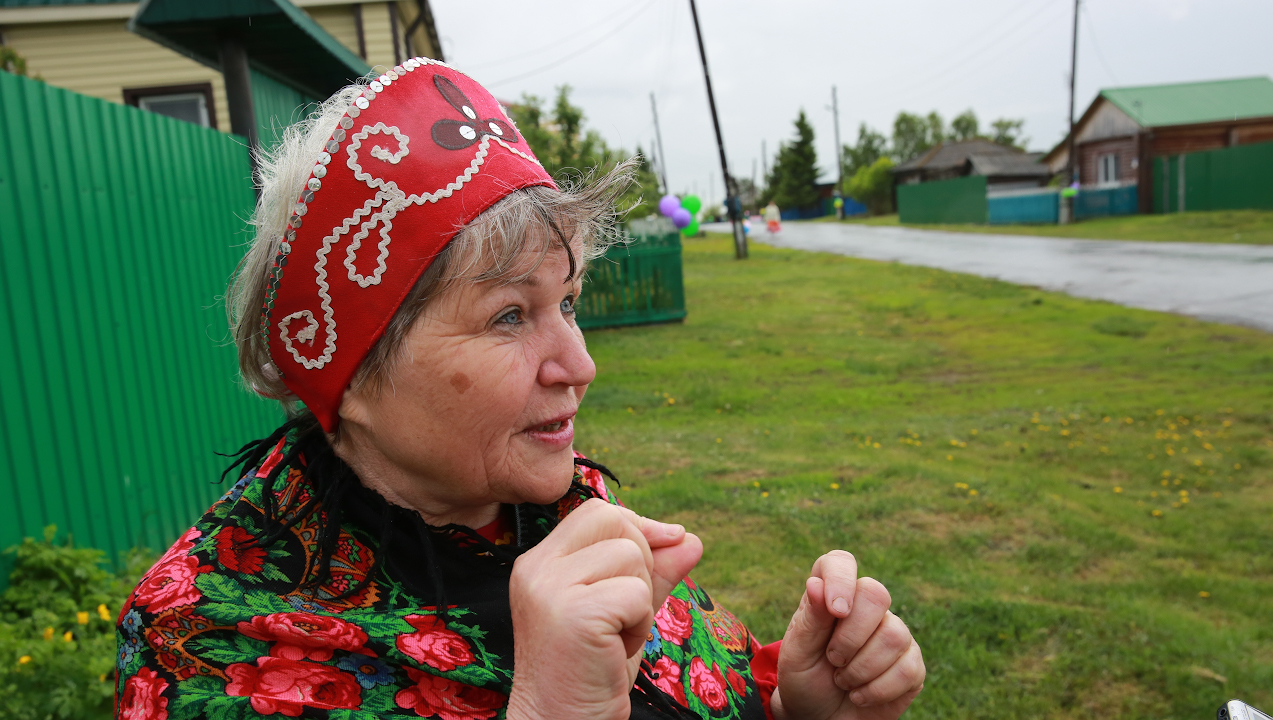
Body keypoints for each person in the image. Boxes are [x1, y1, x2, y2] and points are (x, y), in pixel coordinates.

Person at [115, 59, 924, 720]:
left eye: (566, 303)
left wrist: (795, 708)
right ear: (353, 373)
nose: (579, 364)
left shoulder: (564, 510)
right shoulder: (198, 639)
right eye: (509, 316)